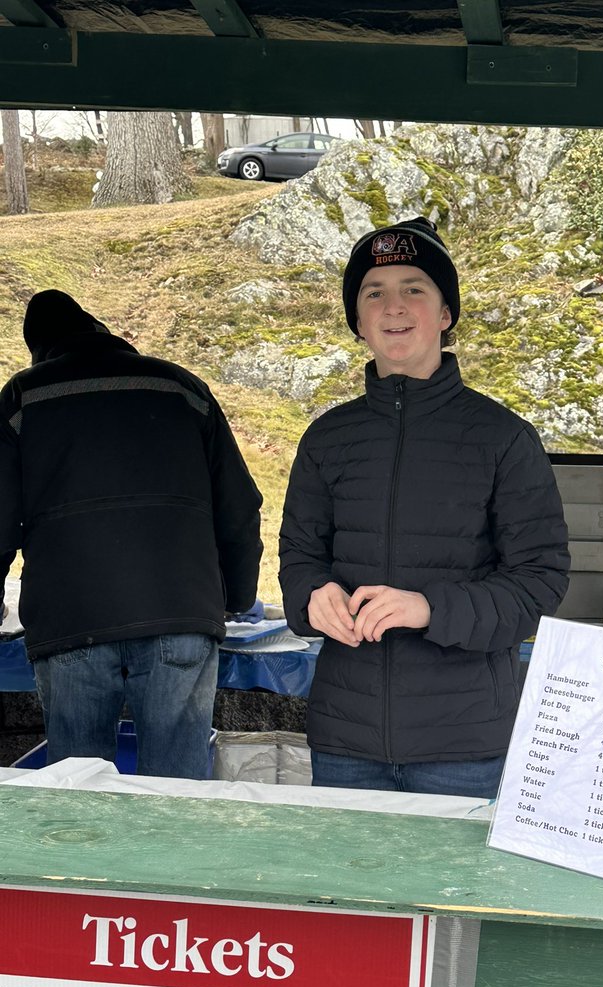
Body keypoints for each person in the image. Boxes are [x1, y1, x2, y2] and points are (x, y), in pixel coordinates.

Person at [279, 216, 570, 797]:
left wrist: (429, 608)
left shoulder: (503, 438)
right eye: (374, 293)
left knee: (455, 894)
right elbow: (298, 560)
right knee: (346, 891)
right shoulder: (326, 440)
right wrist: (314, 595)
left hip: (463, 746)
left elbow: (540, 581)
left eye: (415, 288)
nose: (394, 307)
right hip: (344, 741)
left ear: (445, 314)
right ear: (357, 321)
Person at [0, 290, 263, 778]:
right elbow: (240, 505)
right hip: (181, 611)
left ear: (41, 349)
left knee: (79, 803)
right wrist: (238, 596)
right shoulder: (182, 387)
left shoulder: (25, 397)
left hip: (71, 619)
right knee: (175, 797)